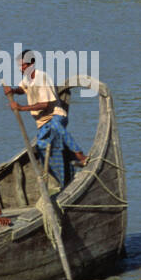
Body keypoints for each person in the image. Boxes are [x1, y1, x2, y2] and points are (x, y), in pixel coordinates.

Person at [6, 48, 87, 183]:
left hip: (56, 116)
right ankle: (63, 179)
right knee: (42, 148)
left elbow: (44, 105)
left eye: (23, 65)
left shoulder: (41, 77)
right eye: (19, 66)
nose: (21, 68)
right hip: (42, 122)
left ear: (31, 64)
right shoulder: (28, 79)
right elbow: (22, 89)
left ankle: (80, 156)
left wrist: (21, 108)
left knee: (56, 127)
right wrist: (13, 90)